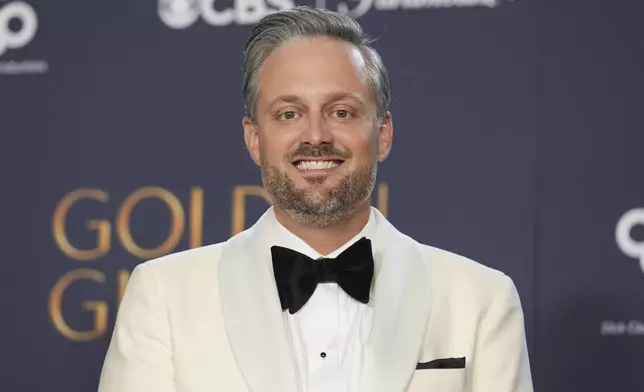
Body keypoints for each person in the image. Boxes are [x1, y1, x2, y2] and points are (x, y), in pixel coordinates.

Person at [97, 6, 533, 392]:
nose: (316, 136)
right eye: (289, 114)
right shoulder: (164, 297)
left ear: (382, 134)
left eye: (341, 112)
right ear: (254, 139)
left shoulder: (480, 300)